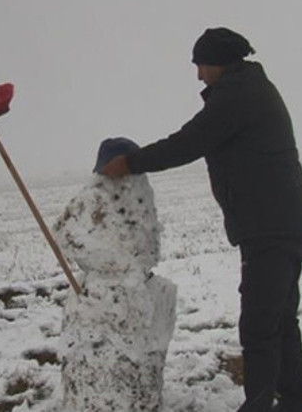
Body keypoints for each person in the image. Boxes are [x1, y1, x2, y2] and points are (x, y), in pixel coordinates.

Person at [100, 27, 302, 412]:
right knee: (280, 320)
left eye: (201, 66)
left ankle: (261, 405)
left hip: (269, 227)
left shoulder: (238, 96)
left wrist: (131, 162)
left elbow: (190, 141)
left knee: (260, 325)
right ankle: (294, 399)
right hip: (284, 222)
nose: (198, 75)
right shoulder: (252, 88)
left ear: (218, 63)